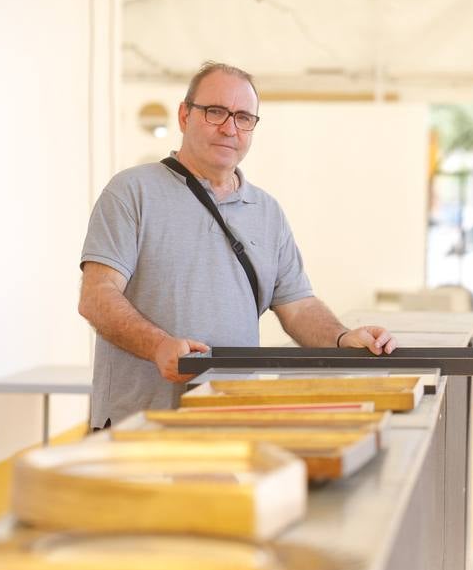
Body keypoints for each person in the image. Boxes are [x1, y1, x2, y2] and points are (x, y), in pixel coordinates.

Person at [79, 61, 397, 427]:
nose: (230, 128)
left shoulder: (267, 212)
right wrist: (157, 346)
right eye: (215, 112)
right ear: (184, 115)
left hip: (231, 422)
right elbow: (96, 297)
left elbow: (298, 307)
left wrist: (341, 338)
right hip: (136, 426)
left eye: (244, 118)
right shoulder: (132, 192)